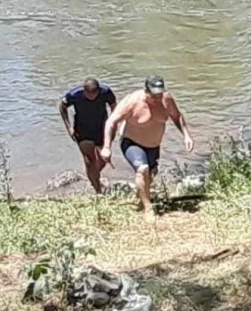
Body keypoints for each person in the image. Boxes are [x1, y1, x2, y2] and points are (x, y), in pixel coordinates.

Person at [99, 75, 195, 221]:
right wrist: (106, 147)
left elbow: (177, 116)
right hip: (132, 142)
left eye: (160, 93)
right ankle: (148, 208)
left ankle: (141, 197)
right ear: (146, 90)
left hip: (153, 146)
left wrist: (186, 135)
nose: (157, 97)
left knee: (150, 175)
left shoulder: (166, 99)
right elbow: (111, 122)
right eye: (154, 94)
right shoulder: (132, 101)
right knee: (142, 169)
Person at [59, 78, 117, 193]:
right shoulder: (74, 94)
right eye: (89, 95)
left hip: (101, 129)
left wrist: (113, 124)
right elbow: (62, 107)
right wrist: (69, 127)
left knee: (104, 158)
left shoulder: (106, 92)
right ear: (84, 91)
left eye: (94, 95)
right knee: (90, 161)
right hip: (82, 130)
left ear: (98, 91)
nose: (92, 97)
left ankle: (93, 176)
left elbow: (114, 106)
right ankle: (98, 190)